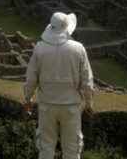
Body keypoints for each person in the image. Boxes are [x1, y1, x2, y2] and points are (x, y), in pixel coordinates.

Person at [23, 12, 94, 159]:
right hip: (71, 106)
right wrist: (89, 103)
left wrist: (28, 99)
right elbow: (87, 81)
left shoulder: (40, 48)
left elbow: (31, 79)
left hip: (47, 106)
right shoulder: (78, 49)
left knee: (46, 148)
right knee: (72, 150)